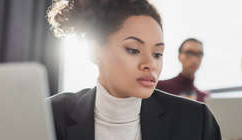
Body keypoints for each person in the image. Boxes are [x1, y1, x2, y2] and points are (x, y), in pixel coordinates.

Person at [46, 0, 221, 140]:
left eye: (157, 54)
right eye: (133, 50)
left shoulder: (196, 121)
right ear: (95, 52)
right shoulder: (51, 116)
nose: (150, 64)